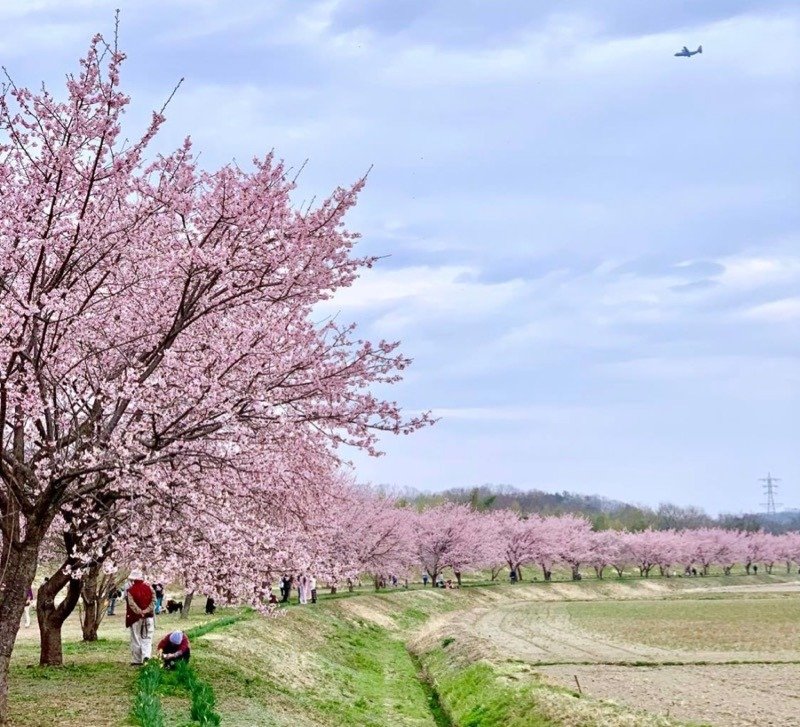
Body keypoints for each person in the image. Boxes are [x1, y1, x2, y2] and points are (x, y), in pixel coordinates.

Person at [125, 569, 156, 666]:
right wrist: (146, 611)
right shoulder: (150, 589)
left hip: (135, 618)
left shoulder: (130, 590)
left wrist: (140, 612)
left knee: (136, 637)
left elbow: (131, 604)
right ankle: (146, 656)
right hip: (148, 617)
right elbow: (153, 601)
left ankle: (137, 660)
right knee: (147, 637)